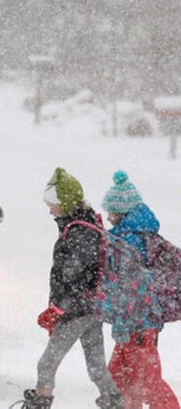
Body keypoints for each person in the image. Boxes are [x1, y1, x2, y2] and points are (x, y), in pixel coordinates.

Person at [20, 167, 123, 409]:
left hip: (76, 310)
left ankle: (42, 401)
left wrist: (58, 308)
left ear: (64, 203)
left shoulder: (79, 232)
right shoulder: (85, 227)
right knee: (96, 366)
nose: (49, 210)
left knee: (47, 363)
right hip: (91, 309)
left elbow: (72, 276)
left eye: (51, 204)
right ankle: (114, 401)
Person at [102, 170, 179, 409]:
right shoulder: (143, 237)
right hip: (140, 324)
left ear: (120, 211)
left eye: (111, 210)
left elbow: (128, 286)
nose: (108, 215)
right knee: (121, 379)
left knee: (146, 382)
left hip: (136, 324)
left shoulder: (128, 243)